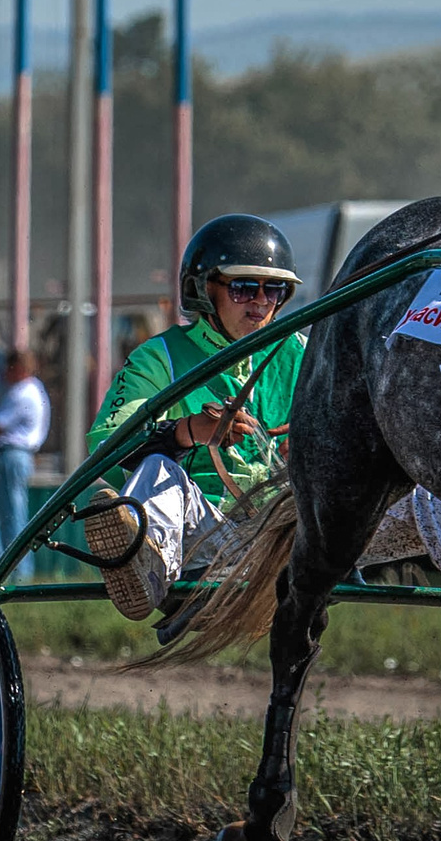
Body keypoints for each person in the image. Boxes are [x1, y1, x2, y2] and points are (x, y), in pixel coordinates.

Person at [77, 215, 305, 621]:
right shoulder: (158, 357)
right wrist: (187, 432)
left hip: (292, 534)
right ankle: (149, 570)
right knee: (158, 469)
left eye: (275, 289)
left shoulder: (300, 353)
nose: (261, 302)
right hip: (206, 537)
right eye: (243, 288)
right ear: (202, 291)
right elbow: (106, 446)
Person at [0, 348, 50, 576]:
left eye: (10, 367)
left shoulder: (24, 392)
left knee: (12, 518)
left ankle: (19, 575)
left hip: (12, 456)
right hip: (6, 457)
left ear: (20, 368)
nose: (5, 372)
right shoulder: (30, 390)